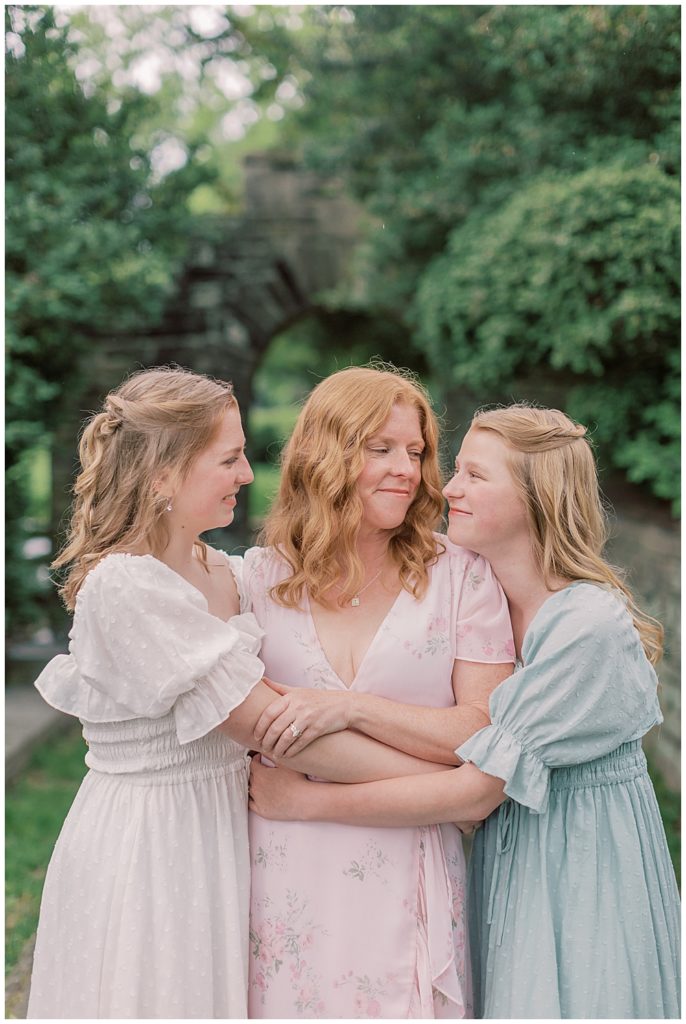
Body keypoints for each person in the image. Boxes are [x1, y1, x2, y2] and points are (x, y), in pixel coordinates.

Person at [27, 366, 459, 1020]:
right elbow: (272, 728)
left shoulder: (219, 571)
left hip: (219, 834)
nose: (249, 475)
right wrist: (452, 778)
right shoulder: (128, 589)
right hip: (156, 844)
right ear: (165, 475)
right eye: (229, 459)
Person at [250, 403, 681, 1020]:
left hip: (583, 879)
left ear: (538, 497)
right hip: (509, 868)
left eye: (476, 476)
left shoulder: (585, 626)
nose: (445, 486)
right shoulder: (495, 602)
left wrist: (308, 795)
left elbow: (474, 793)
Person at [243, 365, 515, 1019]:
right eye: (381, 448)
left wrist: (352, 707)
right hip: (284, 875)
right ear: (327, 453)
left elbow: (483, 731)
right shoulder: (255, 581)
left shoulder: (461, 577)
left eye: (417, 452)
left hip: (407, 871)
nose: (408, 469)